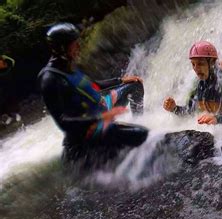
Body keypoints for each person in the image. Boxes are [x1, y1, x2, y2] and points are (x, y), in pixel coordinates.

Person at [37, 22, 148, 162]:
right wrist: (100, 119)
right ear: (62, 48)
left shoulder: (68, 68)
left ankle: (139, 120)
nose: (78, 47)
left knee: (135, 85)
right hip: (87, 131)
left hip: (100, 110)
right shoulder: (50, 79)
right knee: (142, 135)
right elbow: (63, 121)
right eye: (74, 44)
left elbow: (94, 85)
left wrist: (121, 80)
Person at [163, 41, 222, 125]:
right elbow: (189, 111)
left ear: (211, 63)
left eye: (200, 64)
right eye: (193, 64)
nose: (196, 68)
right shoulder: (196, 84)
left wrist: (217, 119)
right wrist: (174, 108)